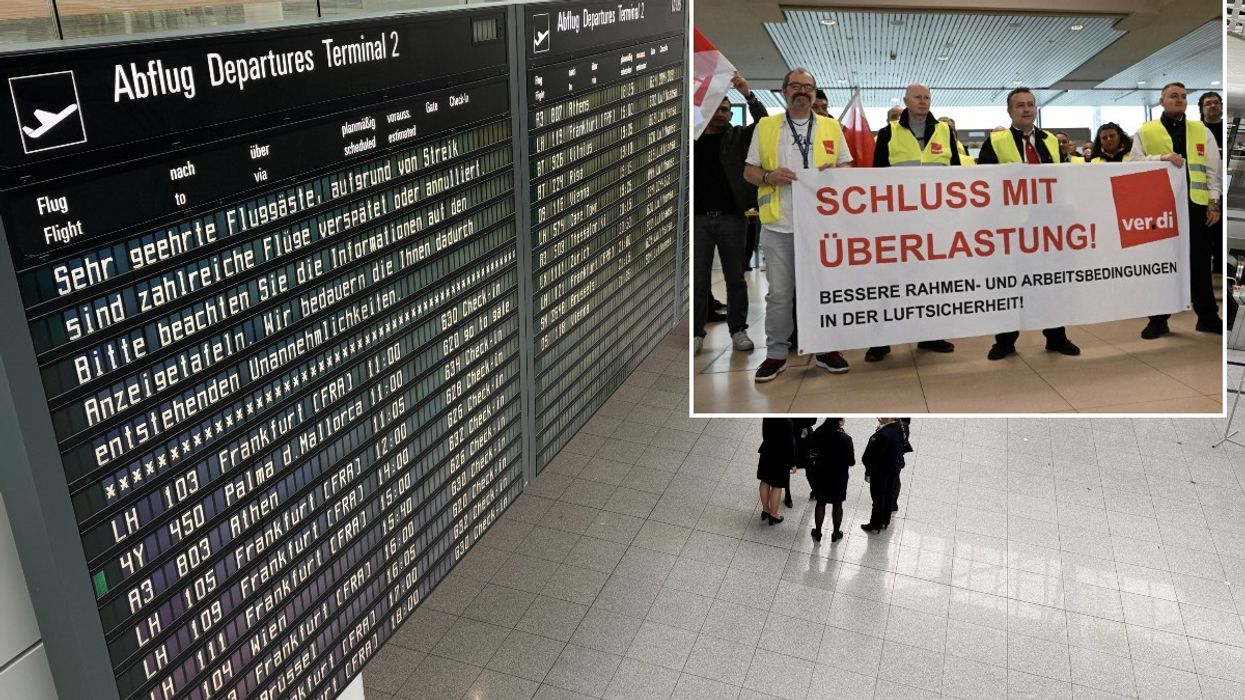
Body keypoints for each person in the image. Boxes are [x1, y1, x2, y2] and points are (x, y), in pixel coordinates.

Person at [744, 68, 853, 382]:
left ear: (815, 93)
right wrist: (768, 177)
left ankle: (826, 349)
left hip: (821, 227)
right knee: (780, 294)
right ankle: (776, 354)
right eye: (797, 86)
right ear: (784, 90)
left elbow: (848, 166)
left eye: (809, 87)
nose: (803, 91)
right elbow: (749, 171)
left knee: (824, 290)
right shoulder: (766, 127)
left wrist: (836, 172)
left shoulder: (832, 127)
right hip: (780, 226)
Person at [975, 87, 1082, 360]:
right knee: (1010, 283)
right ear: (1009, 111)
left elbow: (1061, 179)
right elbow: (986, 183)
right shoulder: (996, 141)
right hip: (1013, 227)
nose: (1026, 109)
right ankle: (1005, 341)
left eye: (1030, 104)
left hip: (1048, 225)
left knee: (1052, 282)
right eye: (1020, 105)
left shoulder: (1048, 140)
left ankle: (1056, 336)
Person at [865, 83, 960, 363]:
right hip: (897, 222)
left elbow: (955, 175)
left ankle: (929, 334)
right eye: (917, 97)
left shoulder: (944, 132)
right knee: (891, 281)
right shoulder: (887, 133)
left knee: (929, 280)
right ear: (906, 100)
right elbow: (877, 178)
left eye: (927, 97)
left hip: (934, 222)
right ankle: (881, 340)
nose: (923, 101)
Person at [1131, 82, 1223, 338]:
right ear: (1161, 101)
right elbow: (1134, 162)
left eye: (1183, 96)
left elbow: (1213, 170)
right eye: (1174, 96)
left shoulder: (1200, 129)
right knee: (1161, 262)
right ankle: (1158, 320)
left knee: (1201, 263)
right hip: (1160, 207)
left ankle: (1207, 316)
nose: (1179, 100)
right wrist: (1161, 158)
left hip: (1196, 205)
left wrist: (1214, 203)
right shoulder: (1146, 131)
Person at [693, 73, 767, 355]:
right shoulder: (694, 139)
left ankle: (738, 331)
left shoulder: (738, 137)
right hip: (698, 219)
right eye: (718, 108)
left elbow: (765, 124)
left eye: (726, 109)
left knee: (735, 278)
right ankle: (697, 333)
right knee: (699, 280)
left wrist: (748, 94)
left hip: (732, 218)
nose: (722, 113)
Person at [808, 417, 854, 542]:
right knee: (838, 504)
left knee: (821, 502)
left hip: (821, 473)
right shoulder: (846, 439)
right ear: (838, 421)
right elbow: (851, 462)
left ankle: (817, 532)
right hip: (839, 476)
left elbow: (812, 452)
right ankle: (835, 533)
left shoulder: (819, 432)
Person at [860, 418, 905, 533]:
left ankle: (875, 524)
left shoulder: (882, 435)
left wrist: (868, 472)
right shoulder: (899, 427)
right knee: (888, 494)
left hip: (881, 471)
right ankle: (885, 520)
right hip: (894, 468)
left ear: (891, 417)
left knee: (878, 498)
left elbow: (872, 456)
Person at [1199, 92, 1225, 276]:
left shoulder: (1228, 128)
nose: (1213, 106)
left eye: (1216, 103)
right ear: (1202, 108)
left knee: (1221, 231)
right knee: (1207, 229)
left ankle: (1220, 268)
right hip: (1204, 188)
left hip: (1227, 185)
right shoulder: (1198, 131)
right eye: (1208, 103)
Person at [757, 418, 796, 524]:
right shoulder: (787, 422)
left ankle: (765, 510)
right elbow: (790, 444)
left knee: (764, 482)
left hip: (766, 452)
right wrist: (792, 463)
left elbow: (764, 433)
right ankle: (774, 515)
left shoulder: (768, 417)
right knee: (777, 485)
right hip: (780, 457)